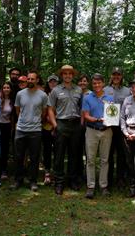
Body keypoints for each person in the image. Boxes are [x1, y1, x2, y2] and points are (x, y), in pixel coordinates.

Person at [48, 65, 83, 195]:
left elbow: (82, 108)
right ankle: (59, 182)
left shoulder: (79, 90)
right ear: (62, 75)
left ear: (73, 75)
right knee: (59, 155)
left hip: (75, 124)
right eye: (65, 74)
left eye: (70, 73)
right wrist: (54, 124)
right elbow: (50, 109)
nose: (67, 75)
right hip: (61, 124)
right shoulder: (55, 90)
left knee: (74, 154)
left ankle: (72, 180)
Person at [13, 71, 48, 191]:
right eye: (28, 79)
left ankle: (33, 181)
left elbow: (44, 113)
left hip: (35, 130)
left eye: (32, 79)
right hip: (21, 130)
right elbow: (17, 111)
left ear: (37, 80)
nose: (30, 81)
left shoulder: (43, 95)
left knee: (34, 157)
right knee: (19, 156)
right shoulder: (20, 94)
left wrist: (36, 121)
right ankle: (18, 180)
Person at [82, 73, 113, 199]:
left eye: (99, 83)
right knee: (90, 159)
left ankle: (103, 186)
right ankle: (90, 186)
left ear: (103, 83)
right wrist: (95, 119)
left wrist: (109, 120)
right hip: (92, 130)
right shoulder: (87, 98)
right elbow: (86, 115)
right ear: (92, 84)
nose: (97, 85)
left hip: (107, 131)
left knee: (105, 159)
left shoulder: (110, 98)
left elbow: (112, 115)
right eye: (94, 83)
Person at [104, 67, 130, 189]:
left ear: (122, 76)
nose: (116, 77)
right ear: (111, 76)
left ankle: (120, 179)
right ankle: (107, 179)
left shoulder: (127, 91)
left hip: (121, 126)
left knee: (121, 154)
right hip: (108, 126)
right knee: (108, 153)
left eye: (118, 74)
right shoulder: (104, 90)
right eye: (114, 74)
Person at [42, 75, 59, 185]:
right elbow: (43, 111)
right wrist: (49, 120)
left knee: (58, 151)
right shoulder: (44, 95)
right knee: (47, 150)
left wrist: (55, 124)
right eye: (50, 82)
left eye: (55, 82)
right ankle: (47, 173)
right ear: (48, 83)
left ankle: (57, 173)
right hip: (46, 127)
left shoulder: (60, 94)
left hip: (58, 126)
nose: (53, 84)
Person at [0, 81, 13, 179]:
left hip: (7, 126)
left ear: (11, 89)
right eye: (4, 87)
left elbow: (13, 116)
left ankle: (4, 170)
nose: (6, 89)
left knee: (5, 149)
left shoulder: (12, 100)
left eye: (8, 87)